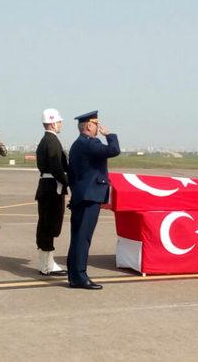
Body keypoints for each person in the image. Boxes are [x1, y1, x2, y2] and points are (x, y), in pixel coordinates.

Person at [67, 111, 120, 289]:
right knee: (83, 238)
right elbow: (113, 150)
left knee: (77, 238)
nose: (98, 127)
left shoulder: (76, 145)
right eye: (96, 124)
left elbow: (72, 175)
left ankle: (74, 275)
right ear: (89, 126)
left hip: (81, 195)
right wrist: (110, 135)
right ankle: (80, 276)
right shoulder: (89, 143)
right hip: (89, 197)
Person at [35, 108, 69, 276]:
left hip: (45, 186)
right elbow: (56, 167)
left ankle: (46, 263)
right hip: (51, 188)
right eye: (59, 121)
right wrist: (68, 182)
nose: (61, 123)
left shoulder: (45, 140)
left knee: (45, 224)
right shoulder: (52, 141)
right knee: (50, 224)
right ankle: (47, 266)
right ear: (53, 122)